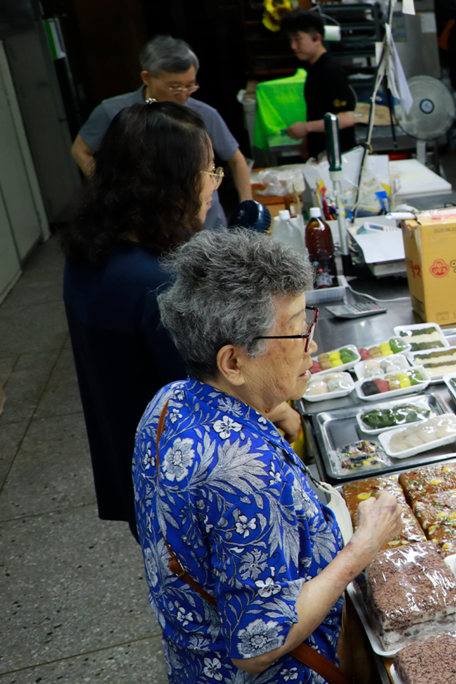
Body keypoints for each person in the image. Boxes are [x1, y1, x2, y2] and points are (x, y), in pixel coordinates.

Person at [135, 228, 401, 684]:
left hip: (197, 668)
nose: (312, 342)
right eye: (297, 328)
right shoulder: (241, 474)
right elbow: (258, 645)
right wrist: (363, 547)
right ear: (233, 360)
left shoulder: (168, 400)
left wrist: (264, 406)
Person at [63, 102, 301, 542]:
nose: (214, 185)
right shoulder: (154, 284)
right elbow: (211, 389)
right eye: (208, 172)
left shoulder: (91, 251)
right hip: (188, 480)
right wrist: (279, 405)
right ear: (166, 185)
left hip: (136, 461)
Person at [70, 35, 251, 229]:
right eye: (174, 87)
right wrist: (110, 189)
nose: (183, 94)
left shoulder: (205, 114)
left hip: (206, 224)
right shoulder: (114, 112)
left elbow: (237, 160)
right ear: (147, 77)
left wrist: (247, 210)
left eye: (190, 85)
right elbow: (80, 150)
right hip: (146, 225)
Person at [280, 10, 357, 159]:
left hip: (340, 157)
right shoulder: (313, 69)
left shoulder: (331, 71)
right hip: (322, 154)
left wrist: (306, 127)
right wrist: (308, 141)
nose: (293, 46)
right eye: (291, 40)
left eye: (298, 40)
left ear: (317, 38)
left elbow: (346, 118)